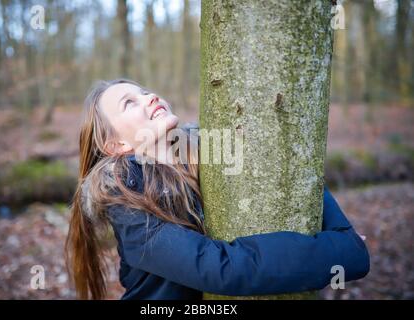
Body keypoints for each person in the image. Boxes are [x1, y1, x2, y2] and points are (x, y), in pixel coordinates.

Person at [65, 78, 370, 300]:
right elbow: (220, 269)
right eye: (129, 103)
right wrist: (341, 251)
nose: (149, 97)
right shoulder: (126, 202)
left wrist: (341, 231)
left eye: (144, 92)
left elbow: (292, 175)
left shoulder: (207, 156)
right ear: (116, 144)